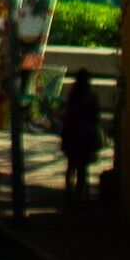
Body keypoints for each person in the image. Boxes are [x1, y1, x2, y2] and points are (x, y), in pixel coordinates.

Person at [51, 61, 103, 197]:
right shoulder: (92, 97)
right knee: (82, 168)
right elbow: (95, 117)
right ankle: (81, 193)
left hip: (71, 134)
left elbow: (67, 115)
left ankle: (69, 191)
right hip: (85, 136)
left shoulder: (72, 96)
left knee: (71, 166)